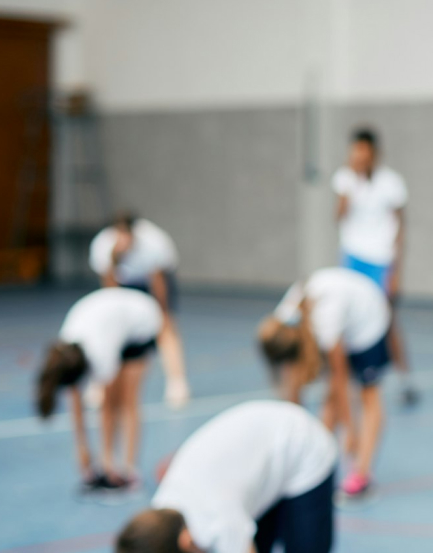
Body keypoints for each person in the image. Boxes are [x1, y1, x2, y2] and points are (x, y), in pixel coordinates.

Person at [116, 400, 337, 553]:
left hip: (302, 448)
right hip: (256, 466)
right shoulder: (162, 519)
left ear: (185, 542)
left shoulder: (219, 521)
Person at [257, 266, 389, 499]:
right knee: (329, 399)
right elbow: (294, 388)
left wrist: (351, 432)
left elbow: (341, 380)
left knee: (369, 395)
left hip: (367, 318)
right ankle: (314, 457)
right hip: (339, 315)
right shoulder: (282, 324)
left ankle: (361, 473)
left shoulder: (326, 323)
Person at [36, 287, 162, 491]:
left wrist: (106, 463)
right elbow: (74, 398)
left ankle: (129, 470)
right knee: (115, 403)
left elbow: (108, 407)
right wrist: (82, 447)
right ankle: (112, 464)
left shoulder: (101, 354)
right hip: (111, 318)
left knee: (126, 400)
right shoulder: (65, 350)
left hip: (141, 320)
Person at [332, 126, 418, 407]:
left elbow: (400, 226)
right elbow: (339, 216)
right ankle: (350, 380)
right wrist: (349, 185)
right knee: (348, 321)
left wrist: (395, 271)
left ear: (374, 153)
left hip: (380, 260)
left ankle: (406, 380)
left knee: (387, 320)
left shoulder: (391, 183)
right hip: (353, 258)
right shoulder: (345, 179)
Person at [89, 212, 189, 409]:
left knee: (165, 327)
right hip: (123, 284)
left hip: (150, 282)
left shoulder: (153, 243)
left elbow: (158, 284)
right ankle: (100, 384)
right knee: (110, 332)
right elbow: (109, 290)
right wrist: (114, 258)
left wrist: (162, 313)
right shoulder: (102, 246)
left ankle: (177, 383)